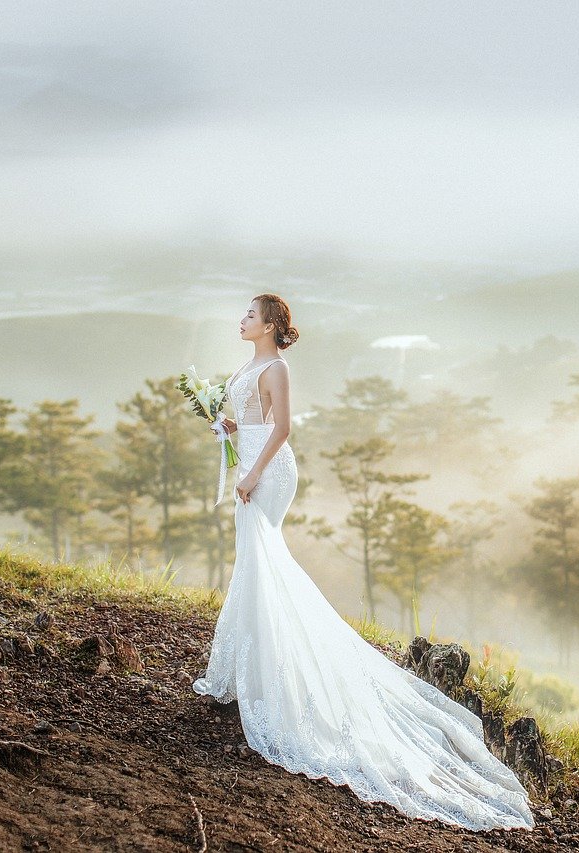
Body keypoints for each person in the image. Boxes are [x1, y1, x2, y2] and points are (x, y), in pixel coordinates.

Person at [192, 293, 535, 832]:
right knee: (254, 564)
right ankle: (246, 669)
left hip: (271, 470)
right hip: (253, 457)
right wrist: (230, 429)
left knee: (265, 563)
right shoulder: (249, 363)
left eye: (250, 316)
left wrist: (253, 472)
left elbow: (281, 430)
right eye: (244, 315)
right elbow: (255, 420)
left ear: (271, 325)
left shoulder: (277, 367)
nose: (242, 320)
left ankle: (277, 674)